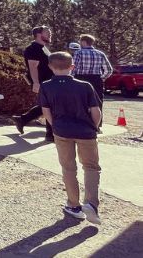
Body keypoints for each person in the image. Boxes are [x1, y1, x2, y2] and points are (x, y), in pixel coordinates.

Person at [39, 51, 103, 224]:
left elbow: (46, 111)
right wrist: (94, 127)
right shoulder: (85, 86)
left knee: (68, 168)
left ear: (50, 67)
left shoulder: (45, 86)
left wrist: (55, 127)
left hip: (62, 131)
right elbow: (96, 112)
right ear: (72, 67)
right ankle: (91, 204)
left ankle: (74, 205)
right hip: (85, 132)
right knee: (91, 167)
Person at [13, 26, 55, 142]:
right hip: (42, 82)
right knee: (49, 107)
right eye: (47, 32)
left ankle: (22, 119)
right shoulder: (33, 49)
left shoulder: (43, 48)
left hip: (49, 82)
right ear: (38, 34)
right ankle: (50, 135)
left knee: (47, 106)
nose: (50, 34)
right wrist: (36, 83)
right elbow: (33, 66)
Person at [72, 34, 113, 125]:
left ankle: (82, 123)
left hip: (81, 78)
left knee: (80, 101)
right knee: (97, 101)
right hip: (96, 78)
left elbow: (73, 67)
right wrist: (102, 78)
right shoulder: (100, 53)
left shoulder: (78, 53)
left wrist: (71, 78)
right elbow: (109, 69)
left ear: (83, 42)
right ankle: (97, 125)